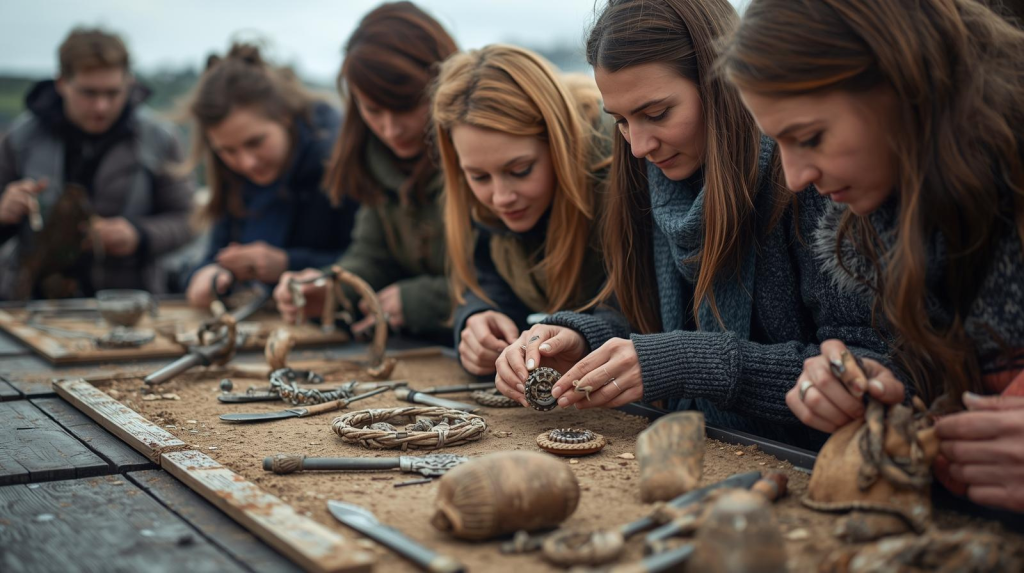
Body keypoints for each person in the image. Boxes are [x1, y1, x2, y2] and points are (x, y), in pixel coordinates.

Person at [493, 0, 892, 448]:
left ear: (722, 85)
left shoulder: (815, 178)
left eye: (657, 113)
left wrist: (684, 361)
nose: (639, 145)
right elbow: (647, 326)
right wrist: (579, 339)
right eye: (622, 121)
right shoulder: (649, 175)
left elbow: (871, 365)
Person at [722, 0, 1024, 512]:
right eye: (779, 143)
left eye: (811, 137)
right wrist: (884, 393)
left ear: (906, 87)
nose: (795, 178)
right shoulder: (889, 226)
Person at [274, 1, 457, 342]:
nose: (390, 129)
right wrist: (330, 288)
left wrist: (422, 301)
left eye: (406, 106)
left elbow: (508, 282)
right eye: (373, 109)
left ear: (444, 85)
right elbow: (371, 259)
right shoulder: (373, 160)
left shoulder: (480, 160)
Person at [431, 45, 611, 375]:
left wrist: (582, 335)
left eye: (520, 170)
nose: (500, 198)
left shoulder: (616, 180)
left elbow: (636, 317)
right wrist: (476, 318)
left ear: (559, 143)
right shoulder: (482, 206)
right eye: (479, 176)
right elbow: (489, 284)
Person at [0, 27, 194, 299]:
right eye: (88, 93)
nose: (101, 106)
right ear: (62, 83)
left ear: (129, 83)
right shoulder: (21, 138)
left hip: (128, 304)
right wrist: (4, 212)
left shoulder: (158, 139)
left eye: (113, 93)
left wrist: (139, 236)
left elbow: (190, 219)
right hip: (31, 304)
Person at [182, 44, 357, 308]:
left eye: (255, 142)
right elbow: (215, 253)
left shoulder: (338, 163)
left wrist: (288, 263)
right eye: (227, 151)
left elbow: (371, 262)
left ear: (284, 116)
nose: (246, 163)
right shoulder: (230, 175)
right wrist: (207, 276)